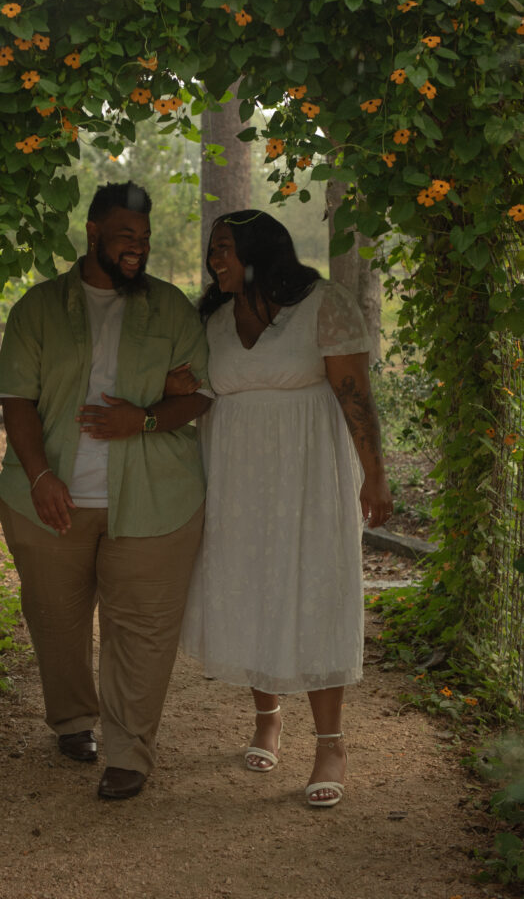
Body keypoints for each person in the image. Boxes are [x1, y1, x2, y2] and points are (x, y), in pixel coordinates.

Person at [0, 181, 211, 800]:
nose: (136, 248)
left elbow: (199, 393)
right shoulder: (38, 308)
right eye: (124, 236)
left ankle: (129, 753)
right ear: (93, 233)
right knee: (57, 621)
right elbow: (17, 399)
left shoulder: (171, 309)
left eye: (142, 238)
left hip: (157, 499)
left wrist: (140, 418)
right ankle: (71, 721)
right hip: (49, 501)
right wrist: (39, 476)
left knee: (141, 628)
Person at [177, 210, 393, 808]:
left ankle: (330, 744)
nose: (213, 259)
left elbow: (356, 397)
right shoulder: (214, 318)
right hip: (237, 477)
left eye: (223, 248)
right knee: (251, 587)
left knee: (316, 589)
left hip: (309, 473)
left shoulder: (323, 304)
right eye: (212, 249)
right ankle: (267, 717)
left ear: (257, 250)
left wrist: (374, 474)